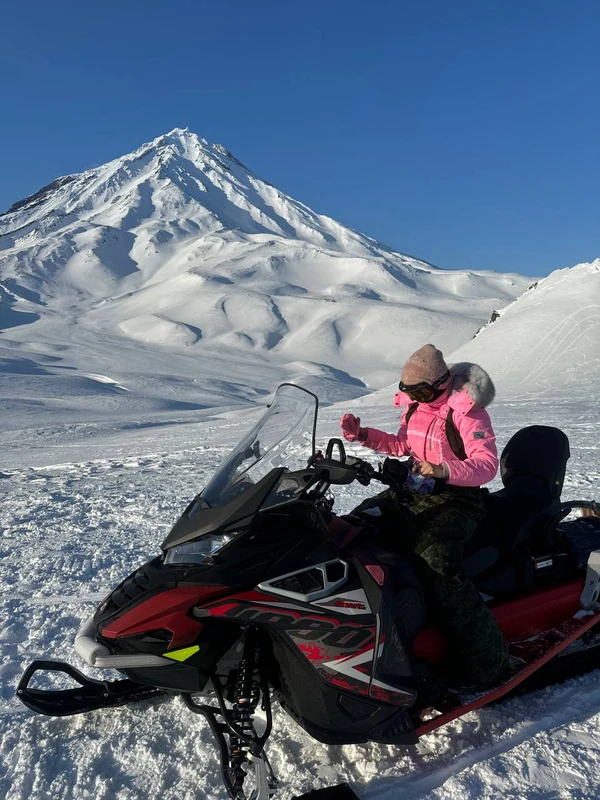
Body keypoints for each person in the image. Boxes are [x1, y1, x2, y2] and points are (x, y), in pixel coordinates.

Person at [340, 344, 508, 689]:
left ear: (442, 383)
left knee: (436, 562)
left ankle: (487, 663)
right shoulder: (416, 408)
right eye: (410, 391)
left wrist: (443, 469)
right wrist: (364, 436)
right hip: (417, 490)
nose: (416, 396)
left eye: (422, 390)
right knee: (357, 525)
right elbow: (403, 446)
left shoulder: (466, 411)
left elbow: (486, 465)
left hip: (457, 498)